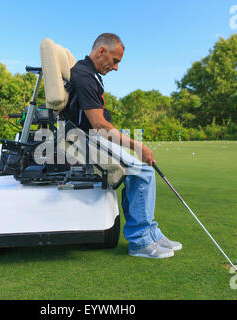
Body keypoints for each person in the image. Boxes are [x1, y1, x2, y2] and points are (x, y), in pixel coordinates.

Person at [64, 33, 182, 259]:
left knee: (140, 171)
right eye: (115, 60)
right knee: (144, 172)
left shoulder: (89, 74)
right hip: (82, 141)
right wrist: (138, 147)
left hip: (87, 138)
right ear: (101, 51)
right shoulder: (84, 76)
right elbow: (98, 125)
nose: (116, 67)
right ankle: (140, 242)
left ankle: (150, 233)